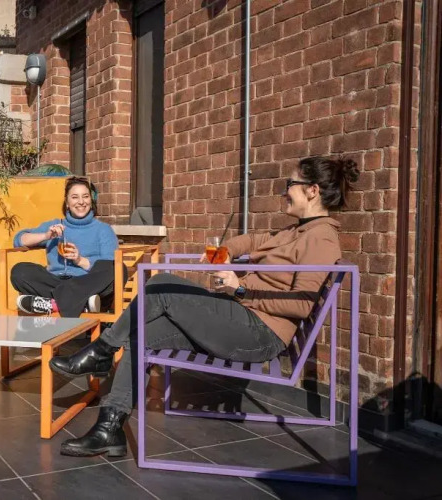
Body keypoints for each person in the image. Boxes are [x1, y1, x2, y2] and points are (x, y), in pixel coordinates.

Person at [49, 155, 360, 458]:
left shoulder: (321, 238)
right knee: (139, 332)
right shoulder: (295, 230)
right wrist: (225, 251)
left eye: (290, 184)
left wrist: (241, 289)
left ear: (312, 190)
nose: (284, 191)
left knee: (162, 286)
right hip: (241, 317)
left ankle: (101, 351)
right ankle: (109, 429)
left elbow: (301, 306)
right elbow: (253, 241)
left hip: (260, 333)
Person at [10, 176, 123, 318]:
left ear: (91, 200)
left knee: (116, 269)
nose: (81, 202)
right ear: (67, 202)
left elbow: (109, 265)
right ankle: (79, 303)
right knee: (19, 271)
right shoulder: (55, 225)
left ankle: (53, 303)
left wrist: (80, 260)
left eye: (85, 196)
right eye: (75, 197)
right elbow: (19, 240)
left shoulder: (103, 229)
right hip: (57, 282)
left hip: (86, 283)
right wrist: (46, 235)